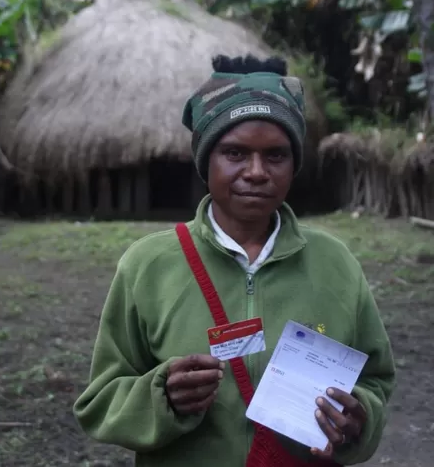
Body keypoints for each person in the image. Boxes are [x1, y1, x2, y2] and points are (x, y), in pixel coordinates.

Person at [73, 54, 396, 467]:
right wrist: (162, 397)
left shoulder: (336, 265)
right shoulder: (147, 266)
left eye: (276, 155)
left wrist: (359, 418)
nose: (257, 171)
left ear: (294, 164)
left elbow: (376, 378)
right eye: (235, 153)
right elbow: (101, 400)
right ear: (206, 161)